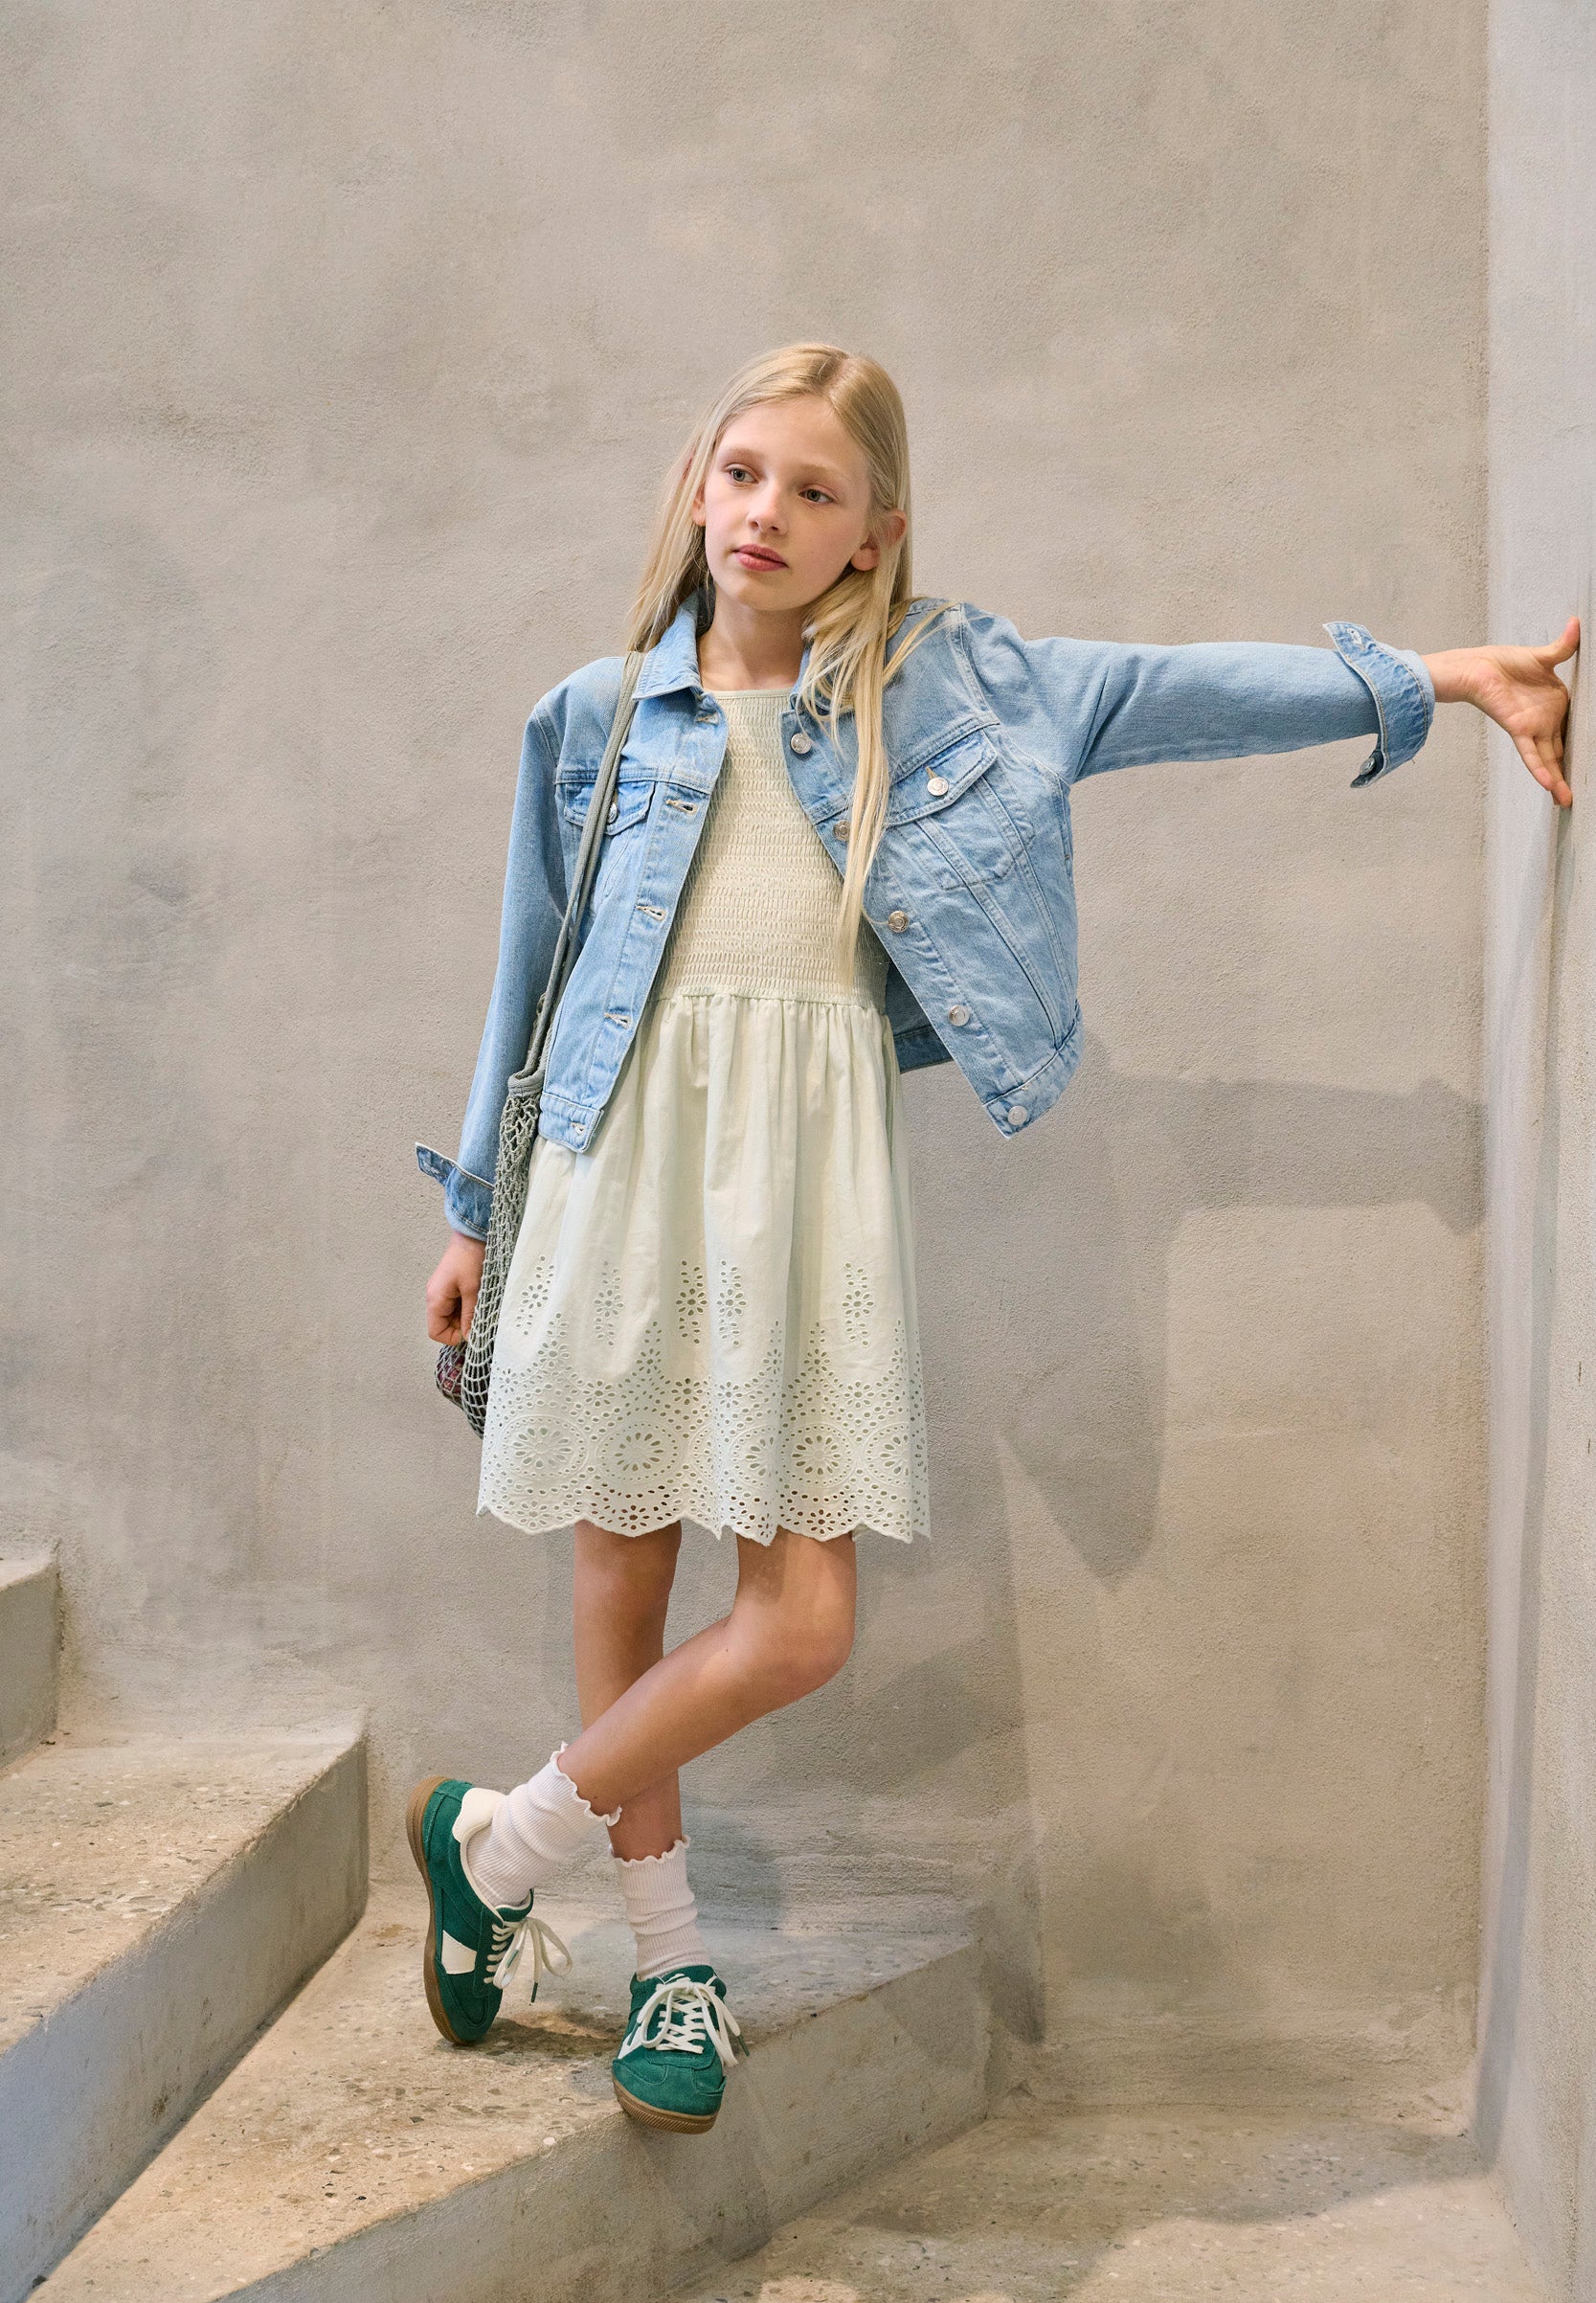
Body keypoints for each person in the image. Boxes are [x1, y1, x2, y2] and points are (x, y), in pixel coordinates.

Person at [410, 340, 1577, 2134]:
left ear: (875, 534)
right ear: (701, 487)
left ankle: (498, 1849)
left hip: (805, 1188)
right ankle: (671, 1965)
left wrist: (1441, 679)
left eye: (815, 491)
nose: (767, 513)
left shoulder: (949, 689)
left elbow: (1175, 692)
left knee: (797, 1621)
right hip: (613, 1164)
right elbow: (534, 968)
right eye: (744, 473)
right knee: (623, 1573)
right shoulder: (596, 717)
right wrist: (477, 1216)